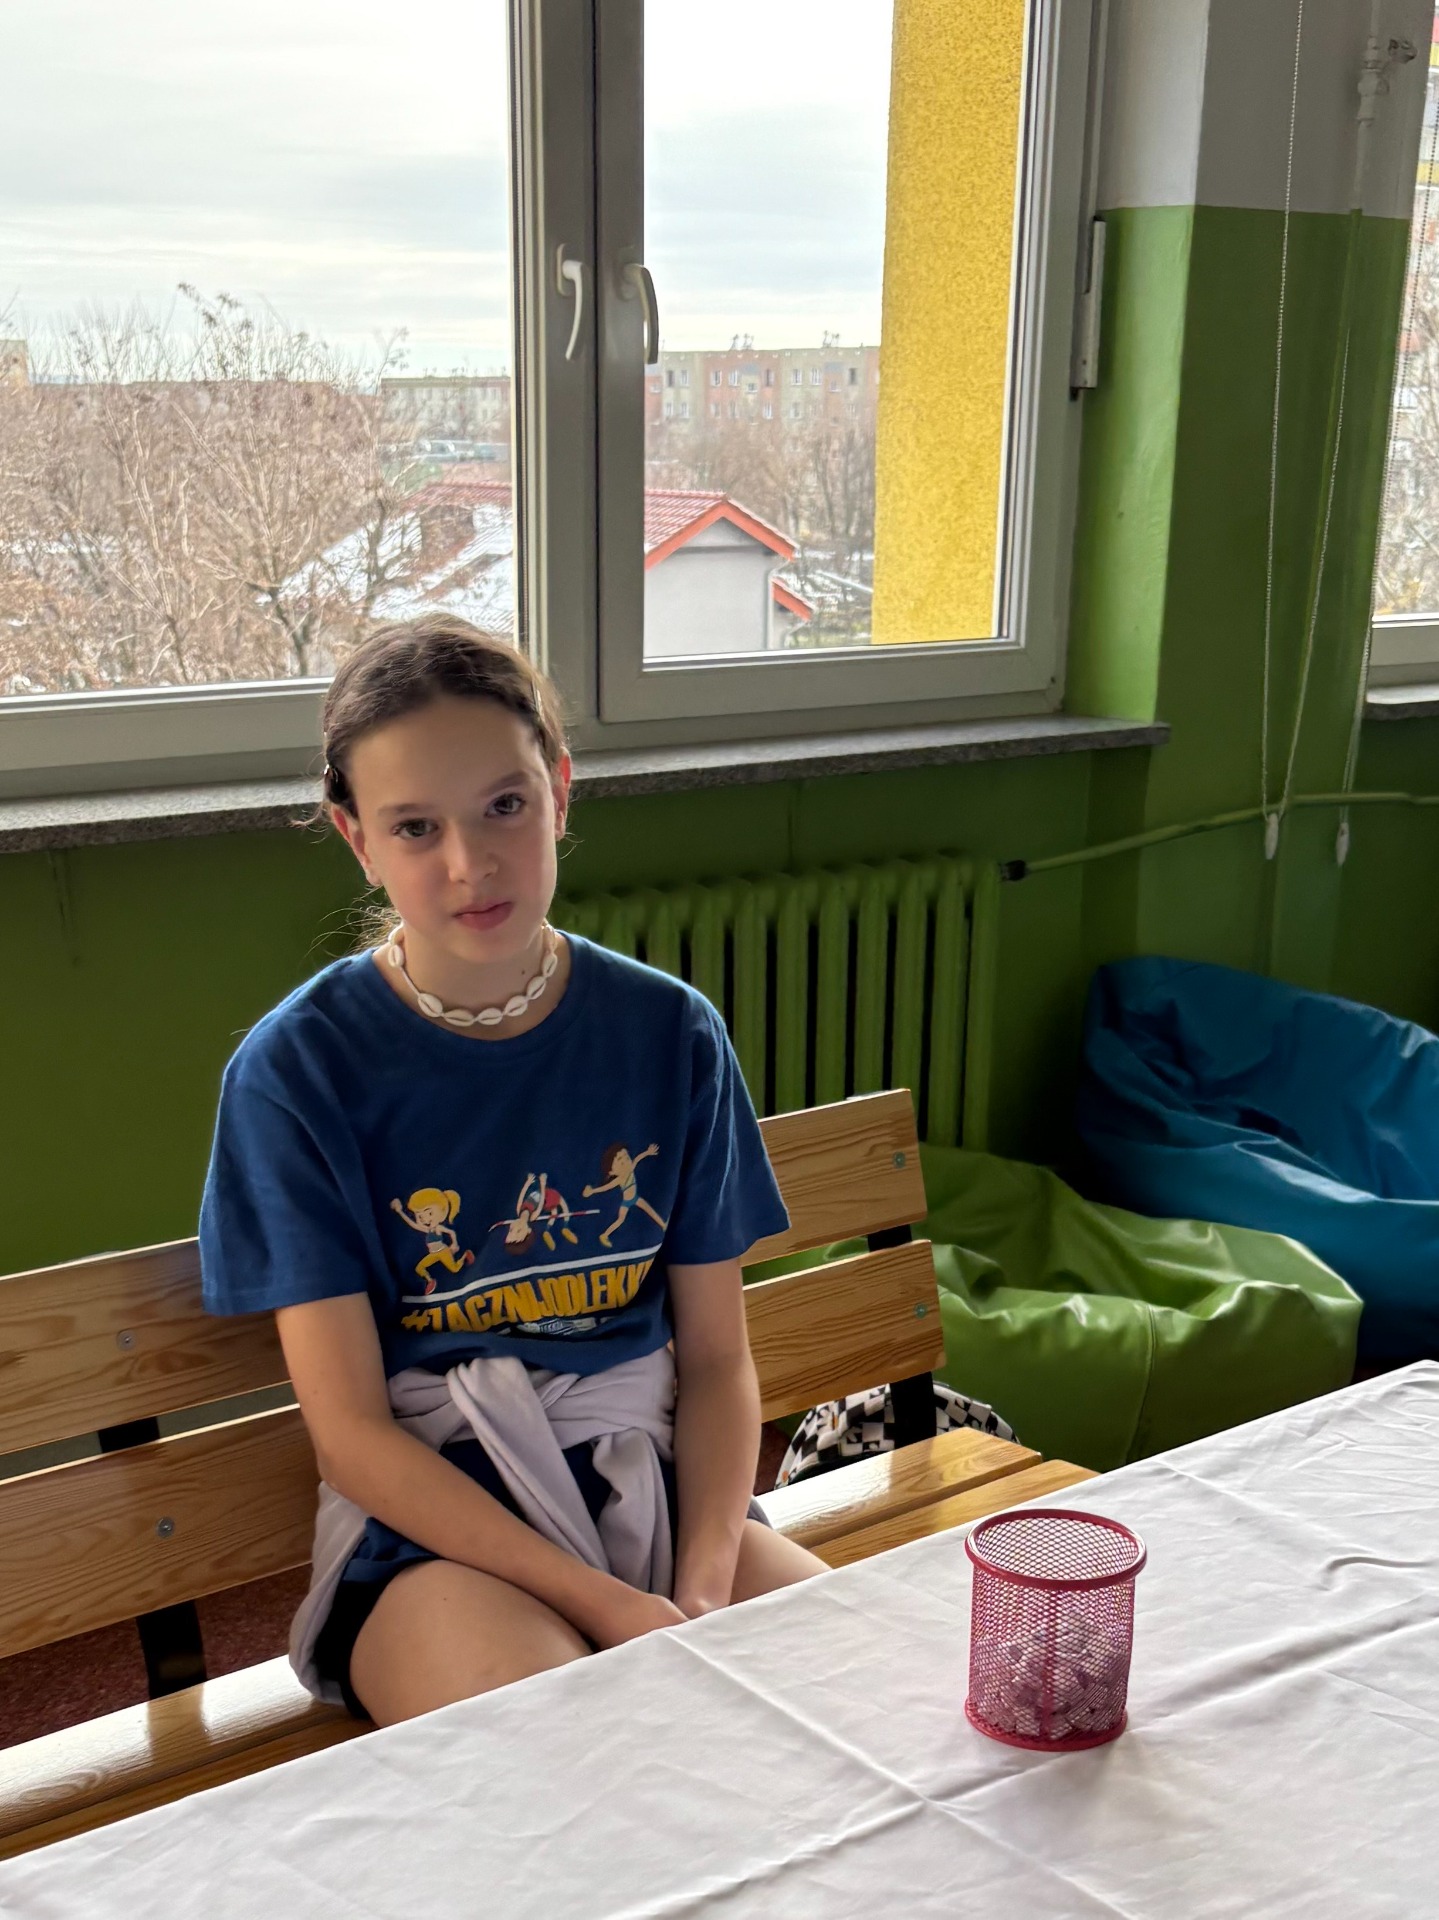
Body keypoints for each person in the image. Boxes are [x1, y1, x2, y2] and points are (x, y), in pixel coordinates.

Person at [199, 613, 824, 1727]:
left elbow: (717, 1362)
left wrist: (700, 1589)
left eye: (504, 805)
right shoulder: (296, 1073)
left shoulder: (669, 1033)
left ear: (560, 792)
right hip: (434, 1533)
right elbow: (353, 1437)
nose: (469, 863)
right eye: (414, 827)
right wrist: (603, 1603)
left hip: (652, 1490)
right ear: (356, 839)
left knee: (854, 1693)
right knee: (574, 1742)